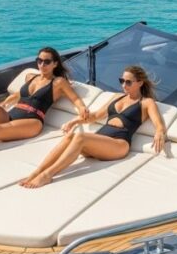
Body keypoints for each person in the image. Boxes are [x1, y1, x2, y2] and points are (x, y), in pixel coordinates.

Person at [19, 65, 167, 188]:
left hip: (119, 144)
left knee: (81, 136)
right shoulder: (117, 97)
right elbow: (95, 116)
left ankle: (47, 175)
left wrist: (159, 132)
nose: (123, 85)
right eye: (122, 81)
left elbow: (158, 124)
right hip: (100, 141)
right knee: (71, 135)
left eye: (129, 82)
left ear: (140, 83)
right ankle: (37, 172)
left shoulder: (146, 102)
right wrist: (75, 121)